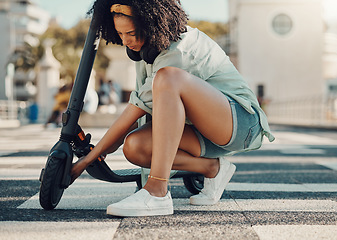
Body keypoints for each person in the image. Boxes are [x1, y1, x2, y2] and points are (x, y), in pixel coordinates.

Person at [71, 0, 275, 217]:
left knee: (168, 77)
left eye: (130, 33)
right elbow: (139, 109)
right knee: (134, 146)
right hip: (201, 131)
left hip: (240, 122)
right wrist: (101, 152)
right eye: (120, 34)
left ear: (151, 24)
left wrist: (85, 162)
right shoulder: (147, 50)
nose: (125, 41)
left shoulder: (180, 49)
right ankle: (212, 168)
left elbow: (135, 109)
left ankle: (157, 192)